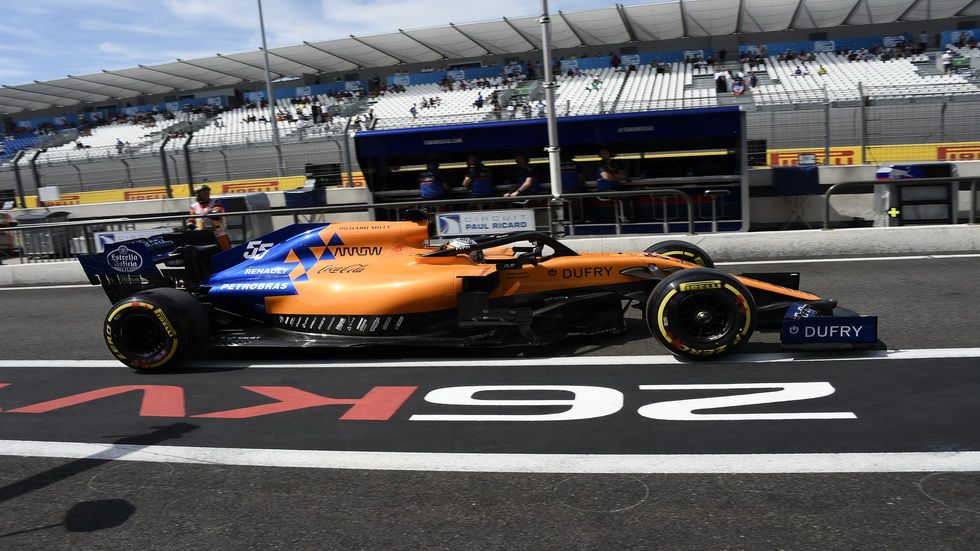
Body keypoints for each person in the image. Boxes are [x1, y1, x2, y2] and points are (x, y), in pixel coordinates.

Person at [188, 185, 230, 250]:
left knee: (225, 250)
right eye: (204, 194)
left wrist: (211, 213)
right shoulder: (194, 206)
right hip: (202, 232)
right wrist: (191, 224)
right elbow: (191, 219)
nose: (206, 195)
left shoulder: (215, 202)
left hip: (217, 231)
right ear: (198, 195)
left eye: (207, 193)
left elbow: (218, 211)